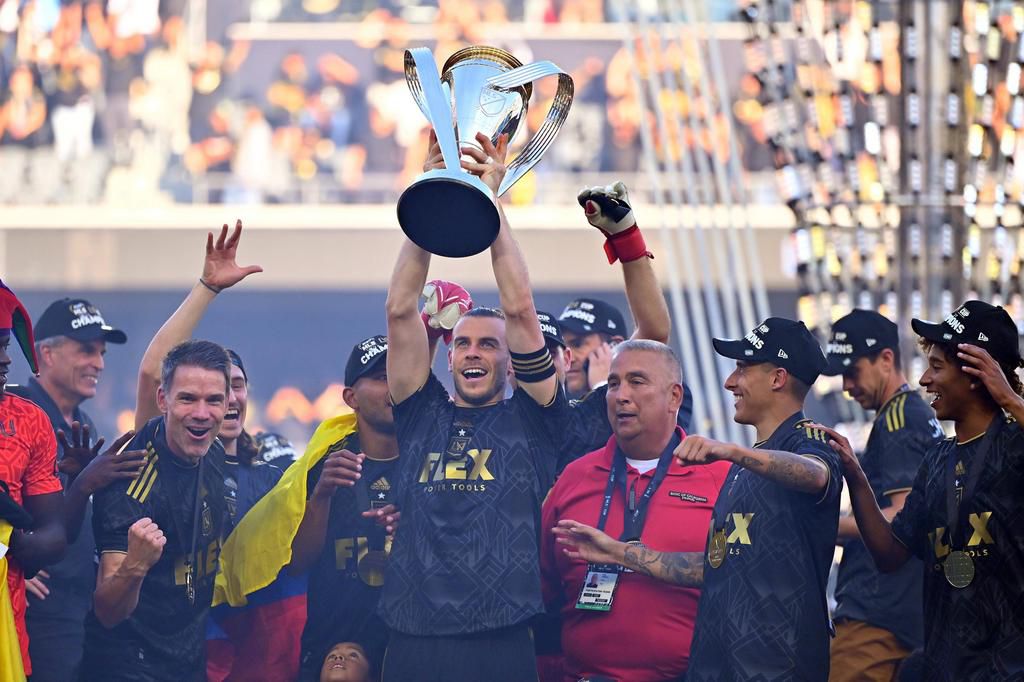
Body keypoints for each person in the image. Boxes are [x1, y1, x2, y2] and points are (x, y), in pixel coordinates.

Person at [554, 317, 841, 680]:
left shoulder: (808, 438)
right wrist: (618, 552)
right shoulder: (745, 465)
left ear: (777, 378)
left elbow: (816, 475)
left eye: (742, 367)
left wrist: (732, 452)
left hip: (776, 669)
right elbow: (715, 565)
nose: (729, 381)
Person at [378, 130, 567, 681]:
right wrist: (433, 196)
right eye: (462, 343)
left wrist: (490, 204)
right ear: (450, 355)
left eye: (489, 343)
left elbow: (520, 306)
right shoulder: (421, 413)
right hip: (412, 634)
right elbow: (399, 308)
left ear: (510, 359)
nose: (473, 352)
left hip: (499, 636)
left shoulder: (535, 417)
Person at [818, 300, 1024, 679]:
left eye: (938, 367)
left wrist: (1010, 399)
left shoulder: (1014, 445)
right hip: (946, 666)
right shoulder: (938, 460)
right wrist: (856, 477)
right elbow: (890, 553)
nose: (925, 379)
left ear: (977, 373)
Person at [541, 340, 728, 681]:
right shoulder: (574, 477)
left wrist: (620, 554)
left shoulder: (720, 477)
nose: (620, 395)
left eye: (637, 382)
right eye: (613, 383)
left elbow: (737, 578)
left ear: (675, 397)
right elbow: (543, 587)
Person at [9, 297, 129, 682]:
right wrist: (10, 565)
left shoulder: (84, 424)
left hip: (81, 606)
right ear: (45, 353)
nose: (99, 363)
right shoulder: (14, 412)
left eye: (101, 353)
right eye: (86, 350)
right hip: (36, 612)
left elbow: (66, 524)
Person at [822, 310, 942, 681]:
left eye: (852, 370)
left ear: (886, 360)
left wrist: (828, 526)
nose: (845, 385)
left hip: (878, 613)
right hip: (902, 610)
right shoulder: (910, 415)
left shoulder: (900, 418)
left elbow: (901, 516)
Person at [291, 335, 398, 679]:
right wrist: (321, 495)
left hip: (404, 643)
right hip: (333, 642)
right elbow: (297, 562)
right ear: (351, 397)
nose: (394, 386)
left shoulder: (431, 461)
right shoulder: (323, 461)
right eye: (382, 377)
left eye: (399, 374)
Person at [0, 281, 67, 678]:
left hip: (8, 638)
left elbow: (55, 537)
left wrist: (9, 536)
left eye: (6, 346)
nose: (5, 360)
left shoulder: (29, 421)